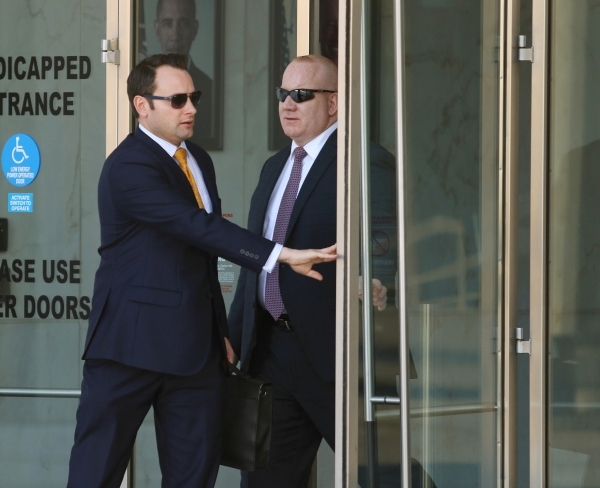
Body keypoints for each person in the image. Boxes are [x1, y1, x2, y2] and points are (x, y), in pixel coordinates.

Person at [66, 53, 336, 488]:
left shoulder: (198, 159)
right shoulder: (128, 165)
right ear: (142, 106)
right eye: (177, 100)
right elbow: (195, 226)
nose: (190, 108)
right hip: (128, 347)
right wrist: (281, 255)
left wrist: (221, 333)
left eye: (194, 97)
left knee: (193, 478)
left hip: (195, 353)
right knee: (95, 473)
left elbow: (203, 258)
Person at [229, 54, 381, 487]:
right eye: (283, 93)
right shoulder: (274, 166)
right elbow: (255, 262)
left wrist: (376, 278)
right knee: (266, 481)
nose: (287, 103)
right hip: (270, 351)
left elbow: (386, 235)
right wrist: (233, 336)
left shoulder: (363, 160)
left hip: (335, 351)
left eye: (301, 94)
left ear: (333, 103)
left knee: (380, 472)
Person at [154, 0, 215, 146]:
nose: (175, 35)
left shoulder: (210, 88)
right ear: (157, 29)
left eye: (183, 24)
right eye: (168, 24)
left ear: (194, 29)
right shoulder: (142, 86)